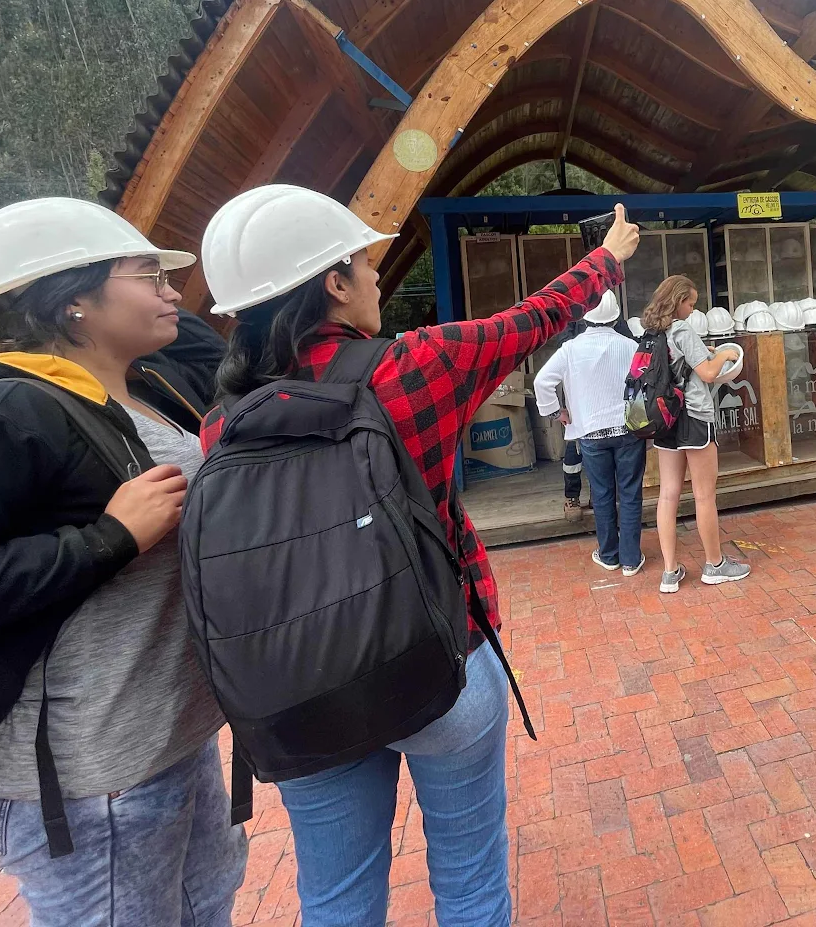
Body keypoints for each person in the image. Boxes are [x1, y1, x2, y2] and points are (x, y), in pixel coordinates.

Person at [199, 184, 637, 926]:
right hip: (434, 662)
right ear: (334, 284)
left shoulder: (223, 423)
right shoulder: (411, 366)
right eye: (366, 264)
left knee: (335, 900)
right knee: (470, 882)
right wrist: (607, 259)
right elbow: (530, 319)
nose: (377, 277)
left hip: (299, 693)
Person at [0, 197, 245, 924]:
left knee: (209, 906)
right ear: (72, 299)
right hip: (84, 783)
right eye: (147, 275)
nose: (171, 292)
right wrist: (108, 539)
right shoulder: (1, 411)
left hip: (164, 739)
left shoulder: (142, 388)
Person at [640, 274, 748, 593]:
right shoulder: (682, 329)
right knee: (704, 495)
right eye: (690, 302)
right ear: (678, 301)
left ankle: (670, 572)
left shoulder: (652, 331)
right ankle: (715, 565)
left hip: (664, 418)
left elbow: (677, 364)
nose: (692, 309)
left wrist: (704, 352)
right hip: (693, 416)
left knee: (668, 494)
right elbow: (709, 373)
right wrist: (724, 355)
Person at [533, 289, 646, 574]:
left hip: (591, 434)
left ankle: (609, 555)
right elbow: (647, 381)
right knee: (630, 493)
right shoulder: (630, 346)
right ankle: (631, 559)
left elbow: (542, 382)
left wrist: (556, 412)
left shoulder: (570, 349)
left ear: (585, 316)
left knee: (602, 494)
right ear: (616, 316)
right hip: (628, 430)